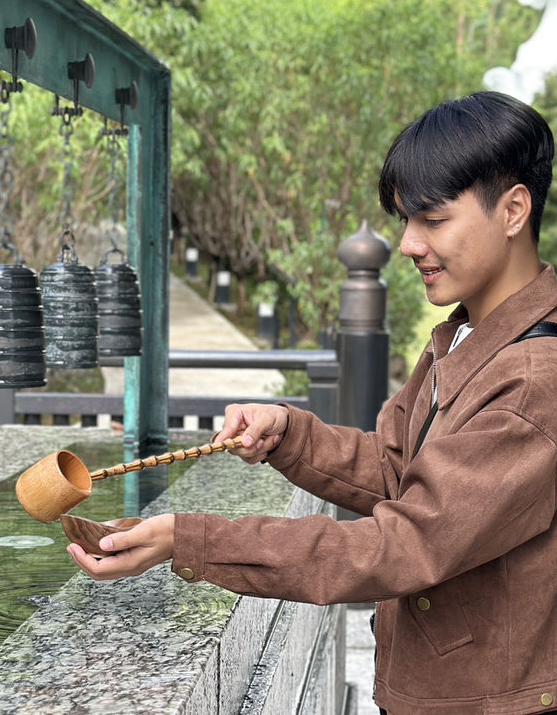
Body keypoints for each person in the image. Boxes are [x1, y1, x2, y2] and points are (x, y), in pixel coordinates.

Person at [68, 91, 557, 715]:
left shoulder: (533, 383)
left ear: (514, 210)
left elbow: (402, 544)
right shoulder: (465, 336)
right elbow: (397, 470)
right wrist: (290, 436)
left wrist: (188, 541)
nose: (408, 244)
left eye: (432, 221)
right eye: (406, 221)